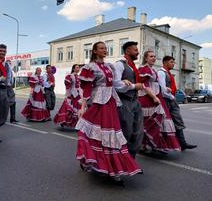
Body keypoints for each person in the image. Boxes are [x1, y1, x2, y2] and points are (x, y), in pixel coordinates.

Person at [76, 41, 142, 184]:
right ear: (94, 51)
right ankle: (91, 160)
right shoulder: (90, 67)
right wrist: (83, 106)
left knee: (112, 134)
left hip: (111, 102)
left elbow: (115, 84)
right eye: (101, 48)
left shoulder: (109, 66)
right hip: (98, 102)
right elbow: (86, 88)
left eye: (106, 48)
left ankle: (113, 169)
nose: (105, 50)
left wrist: (126, 82)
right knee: (97, 134)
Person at [138, 51, 181, 153]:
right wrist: (153, 97)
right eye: (151, 56)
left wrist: (166, 88)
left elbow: (155, 84)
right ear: (146, 58)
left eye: (154, 56)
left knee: (157, 121)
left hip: (156, 96)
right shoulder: (144, 69)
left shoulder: (152, 70)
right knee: (149, 122)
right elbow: (144, 86)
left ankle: (153, 144)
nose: (153, 58)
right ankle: (144, 145)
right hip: (148, 97)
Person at [158, 56, 197, 151]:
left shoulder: (169, 73)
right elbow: (163, 90)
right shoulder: (161, 73)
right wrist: (172, 97)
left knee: (177, 121)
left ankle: (182, 143)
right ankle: (162, 144)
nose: (173, 64)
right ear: (165, 62)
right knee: (165, 123)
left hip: (171, 100)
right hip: (166, 100)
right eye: (171, 62)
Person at [113, 41, 144, 158]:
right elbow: (116, 84)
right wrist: (133, 86)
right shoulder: (119, 64)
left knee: (138, 132)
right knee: (127, 132)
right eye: (135, 50)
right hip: (124, 101)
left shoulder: (132, 66)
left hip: (135, 101)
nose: (138, 52)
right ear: (127, 51)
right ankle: (122, 161)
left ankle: (131, 160)